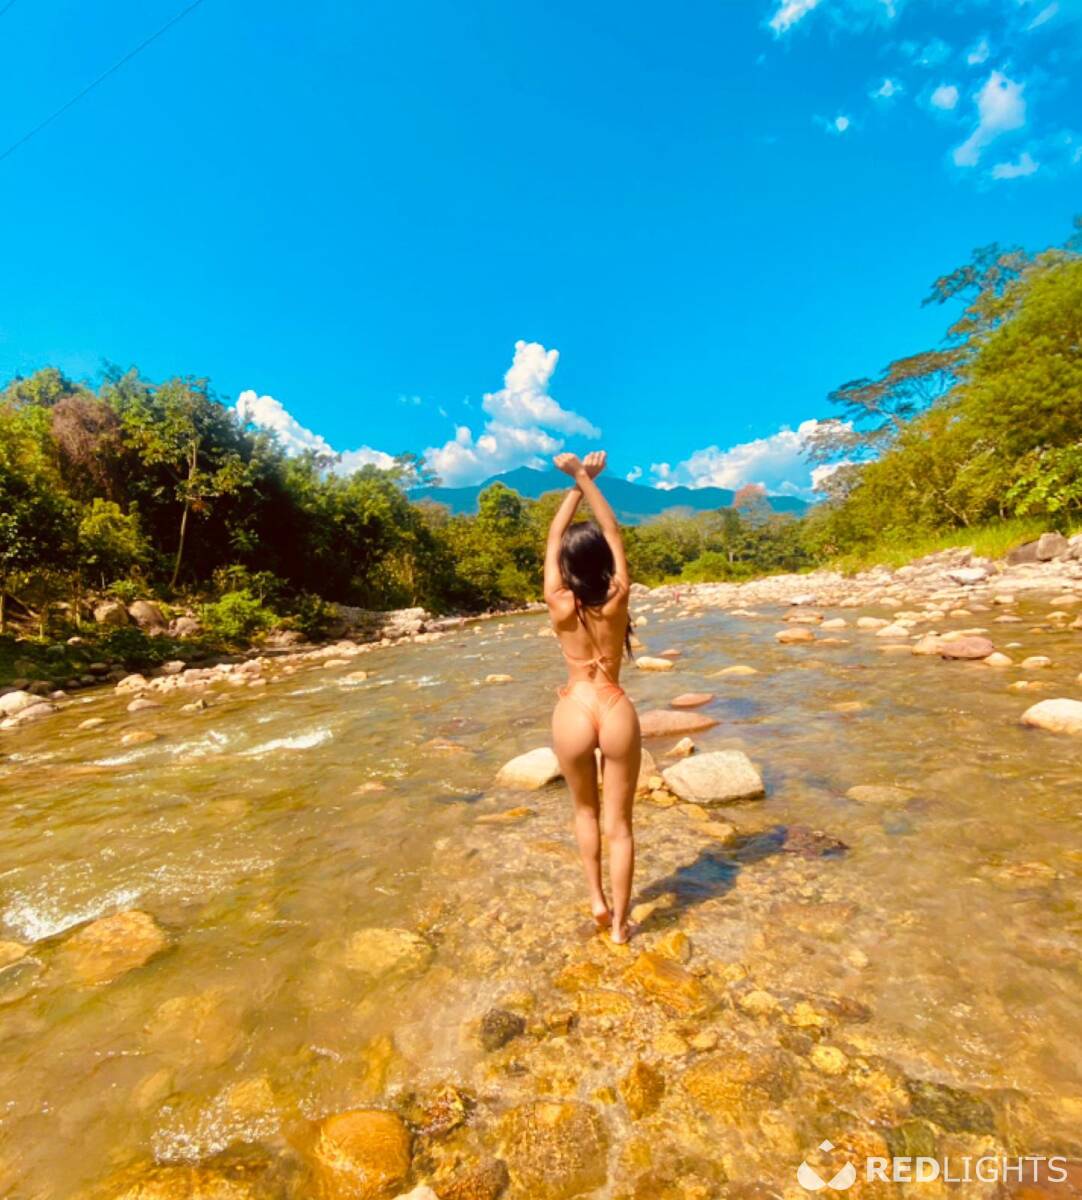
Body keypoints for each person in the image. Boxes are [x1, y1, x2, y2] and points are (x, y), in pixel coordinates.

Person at [544, 449, 641, 944]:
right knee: (619, 825)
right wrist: (587, 478)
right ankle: (621, 927)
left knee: (585, 812)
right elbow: (613, 531)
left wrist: (574, 484)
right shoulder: (618, 594)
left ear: (566, 566)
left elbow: (554, 537)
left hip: (575, 708)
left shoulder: (558, 602)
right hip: (614, 705)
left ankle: (597, 902)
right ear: (603, 560)